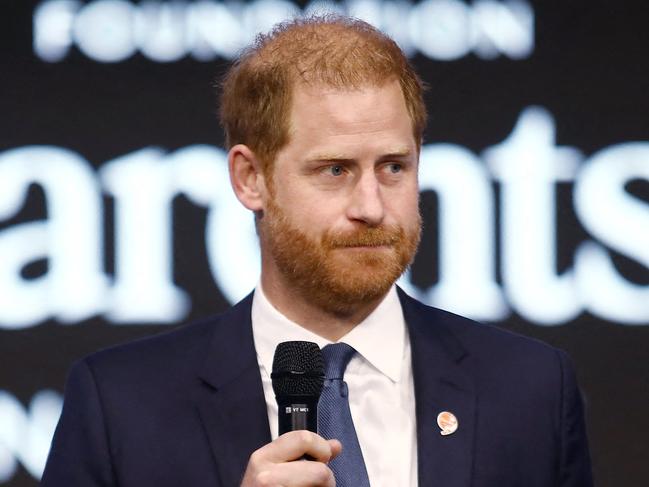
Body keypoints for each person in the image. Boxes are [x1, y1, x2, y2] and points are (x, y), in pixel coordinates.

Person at [41, 15, 593, 487]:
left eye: (394, 167)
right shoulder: (121, 404)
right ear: (250, 178)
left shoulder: (531, 388)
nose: (372, 207)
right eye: (335, 170)